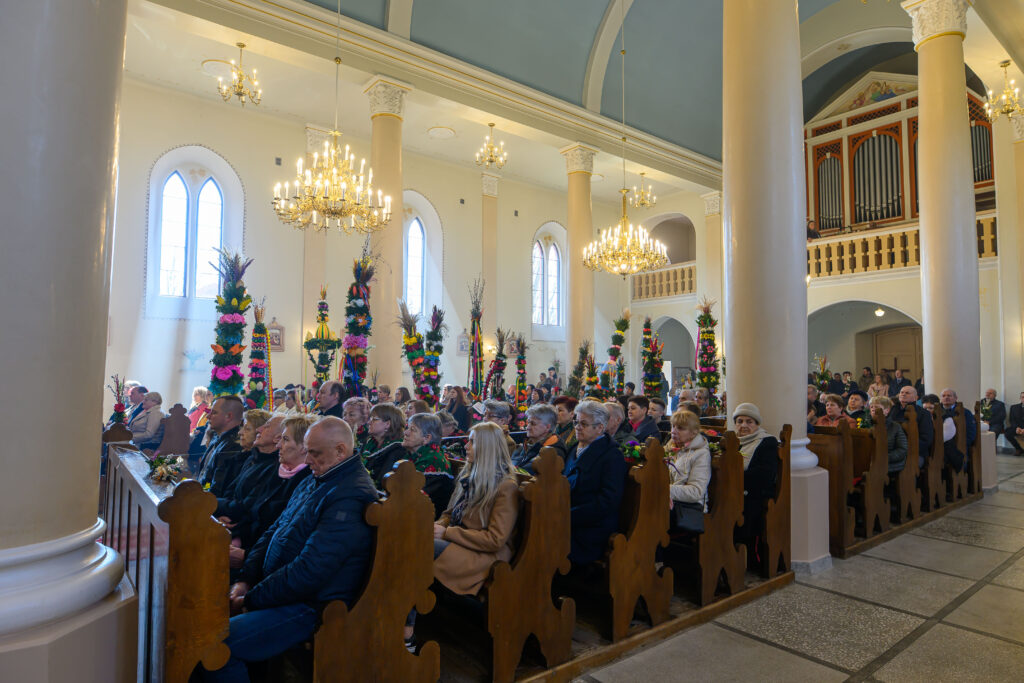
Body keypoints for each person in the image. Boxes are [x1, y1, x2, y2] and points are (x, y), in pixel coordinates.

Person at [201, 417, 377, 682]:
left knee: (216, 647)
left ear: (340, 450)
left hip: (312, 606)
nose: (307, 461)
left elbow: (310, 571)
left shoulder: (350, 494)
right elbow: (275, 530)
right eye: (307, 452)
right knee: (202, 620)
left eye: (314, 453)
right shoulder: (319, 477)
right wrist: (247, 579)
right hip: (281, 591)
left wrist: (251, 599)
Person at [433, 422, 520, 595]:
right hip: (461, 542)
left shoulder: (506, 487)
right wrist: (440, 525)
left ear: (487, 448)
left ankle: (407, 618)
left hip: (482, 556)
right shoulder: (469, 475)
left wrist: (446, 533)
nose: (466, 446)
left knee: (418, 547)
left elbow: (495, 540)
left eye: (472, 442)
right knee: (412, 538)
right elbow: (450, 514)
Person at [215, 415, 294, 554]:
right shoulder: (253, 458)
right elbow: (231, 491)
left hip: (245, 536)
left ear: (277, 438)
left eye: (267, 426)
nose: (259, 429)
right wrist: (220, 515)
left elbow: (250, 506)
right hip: (230, 522)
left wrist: (211, 504)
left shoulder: (275, 468)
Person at [562, 401, 628, 565]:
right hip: (567, 519)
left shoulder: (612, 456)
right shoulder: (574, 449)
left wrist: (567, 516)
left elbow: (607, 502)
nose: (577, 427)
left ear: (600, 428)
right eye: (576, 422)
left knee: (542, 539)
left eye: (583, 424)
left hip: (590, 530)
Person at [731, 403, 779, 550]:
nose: (744, 425)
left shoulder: (767, 441)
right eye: (740, 421)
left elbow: (764, 475)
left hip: (755, 494)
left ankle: (741, 551)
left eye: (749, 421)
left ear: (757, 424)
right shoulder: (734, 441)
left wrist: (733, 479)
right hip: (737, 489)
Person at [402, 412, 455, 517]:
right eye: (407, 428)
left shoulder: (434, 462)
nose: (406, 433)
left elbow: (414, 500)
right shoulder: (413, 455)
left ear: (426, 438)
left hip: (425, 521)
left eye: (413, 430)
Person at [197, 395, 246, 497]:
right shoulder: (217, 436)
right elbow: (206, 476)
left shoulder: (235, 444)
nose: (208, 416)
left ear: (228, 416)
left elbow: (218, 487)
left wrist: (200, 497)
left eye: (214, 413)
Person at [666, 409, 712, 517]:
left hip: (690, 509)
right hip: (670, 502)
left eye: (680, 428)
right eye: (673, 426)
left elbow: (696, 492)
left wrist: (664, 490)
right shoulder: (669, 448)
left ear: (694, 432)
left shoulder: (701, 453)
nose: (673, 431)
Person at [361, 403, 407, 486]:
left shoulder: (397, 448)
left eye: (374, 419)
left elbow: (383, 481)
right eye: (370, 418)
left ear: (387, 424)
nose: (369, 422)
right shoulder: (369, 442)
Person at [511, 404, 567, 471]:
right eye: (528, 422)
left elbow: (528, 474)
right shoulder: (527, 443)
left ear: (547, 427)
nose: (528, 427)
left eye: (533, 423)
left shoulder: (553, 451)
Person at [890, 386, 934, 468]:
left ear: (915, 398)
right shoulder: (892, 410)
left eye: (907, 393)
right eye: (902, 392)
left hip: (915, 452)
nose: (903, 394)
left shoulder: (923, 414)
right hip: (892, 450)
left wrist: (905, 449)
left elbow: (926, 438)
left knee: (907, 467)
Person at [869, 397, 908, 473]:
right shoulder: (866, 425)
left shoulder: (895, 427)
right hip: (868, 462)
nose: (873, 409)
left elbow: (902, 450)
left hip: (890, 464)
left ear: (887, 410)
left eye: (876, 407)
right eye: (871, 407)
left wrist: (884, 457)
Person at [939, 388, 975, 470]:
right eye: (943, 396)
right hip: (939, 444)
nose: (946, 397)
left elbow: (971, 433)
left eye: (949, 395)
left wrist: (961, 443)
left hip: (959, 445)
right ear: (940, 399)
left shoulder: (965, 412)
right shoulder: (936, 411)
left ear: (955, 398)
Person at [1006, 391, 1024, 456]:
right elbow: (1012, 420)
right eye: (1022, 397)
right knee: (1008, 432)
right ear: (1020, 398)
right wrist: (1016, 428)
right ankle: (1019, 449)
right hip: (1017, 427)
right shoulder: (1014, 407)